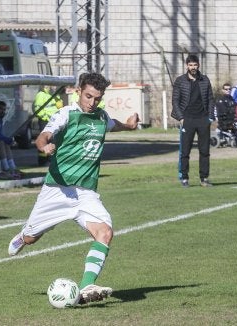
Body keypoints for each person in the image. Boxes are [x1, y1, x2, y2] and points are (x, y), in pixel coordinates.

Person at [7, 72, 140, 304]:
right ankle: (23, 235)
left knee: (105, 233)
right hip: (57, 190)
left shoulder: (100, 116)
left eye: (97, 98)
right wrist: (44, 146)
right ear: (79, 91)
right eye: (88, 96)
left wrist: (129, 125)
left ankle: (87, 285)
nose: (92, 102)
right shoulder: (66, 114)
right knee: (31, 238)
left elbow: (112, 124)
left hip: (86, 193)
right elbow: (44, 135)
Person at [171, 54, 215, 188]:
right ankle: (184, 178)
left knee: (204, 151)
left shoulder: (205, 80)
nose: (193, 67)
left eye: (195, 65)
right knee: (185, 151)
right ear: (186, 66)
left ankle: (204, 178)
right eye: (190, 65)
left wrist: (210, 117)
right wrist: (181, 118)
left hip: (203, 119)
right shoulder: (180, 81)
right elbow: (175, 101)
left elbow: (211, 99)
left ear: (199, 65)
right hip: (187, 119)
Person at [33, 85, 63, 166]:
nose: (54, 87)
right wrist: (45, 118)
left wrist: (57, 97)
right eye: (52, 85)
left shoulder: (54, 94)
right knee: (44, 140)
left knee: (54, 141)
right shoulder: (40, 95)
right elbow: (37, 109)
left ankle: (51, 160)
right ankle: (43, 161)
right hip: (45, 120)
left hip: (54, 121)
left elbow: (60, 106)